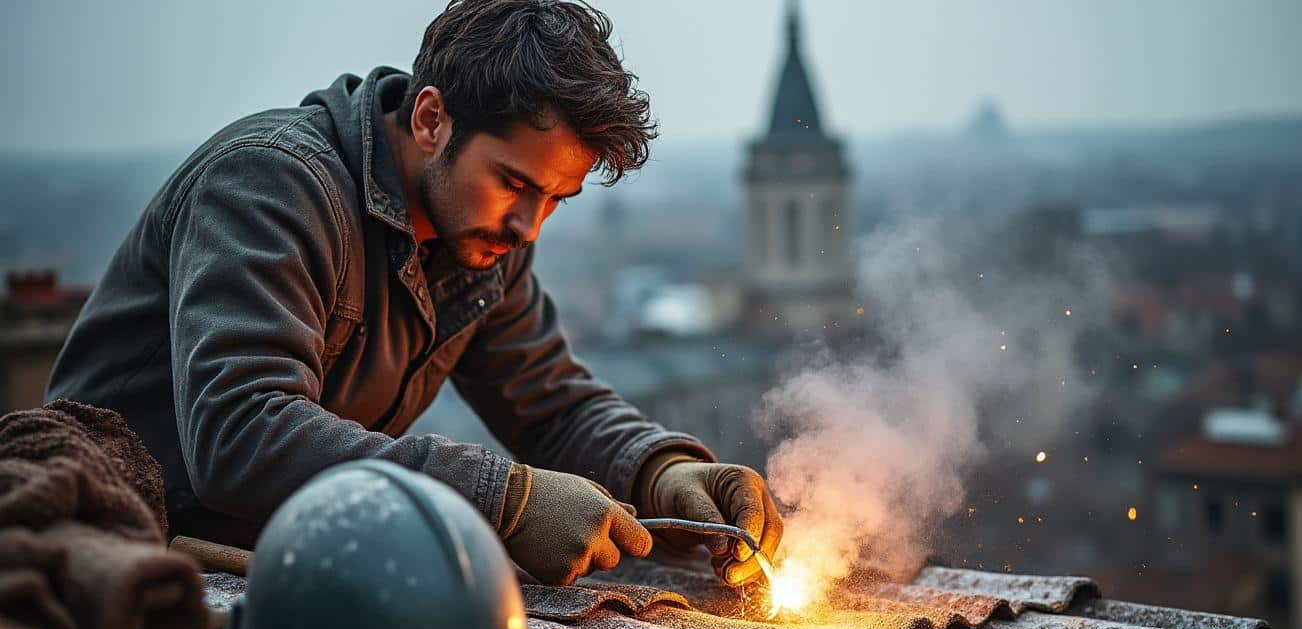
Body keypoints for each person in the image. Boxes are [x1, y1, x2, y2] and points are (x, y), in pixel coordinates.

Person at [47, 0, 782, 587]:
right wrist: (503, 500)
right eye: (514, 183)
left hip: (272, 556)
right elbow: (241, 435)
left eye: (556, 199)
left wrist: (662, 470)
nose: (529, 226)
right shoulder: (271, 186)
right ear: (431, 118)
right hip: (118, 544)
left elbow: (550, 405)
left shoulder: (481, 240)